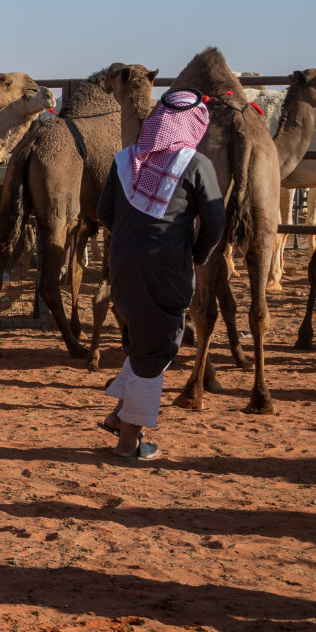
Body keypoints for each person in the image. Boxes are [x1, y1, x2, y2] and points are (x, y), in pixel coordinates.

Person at [97, 88, 225, 460]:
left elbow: (106, 211)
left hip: (122, 266)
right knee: (155, 351)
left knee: (141, 339)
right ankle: (127, 444)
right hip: (166, 270)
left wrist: (130, 238)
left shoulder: (125, 160)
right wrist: (196, 254)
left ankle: (119, 417)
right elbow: (215, 223)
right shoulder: (196, 164)